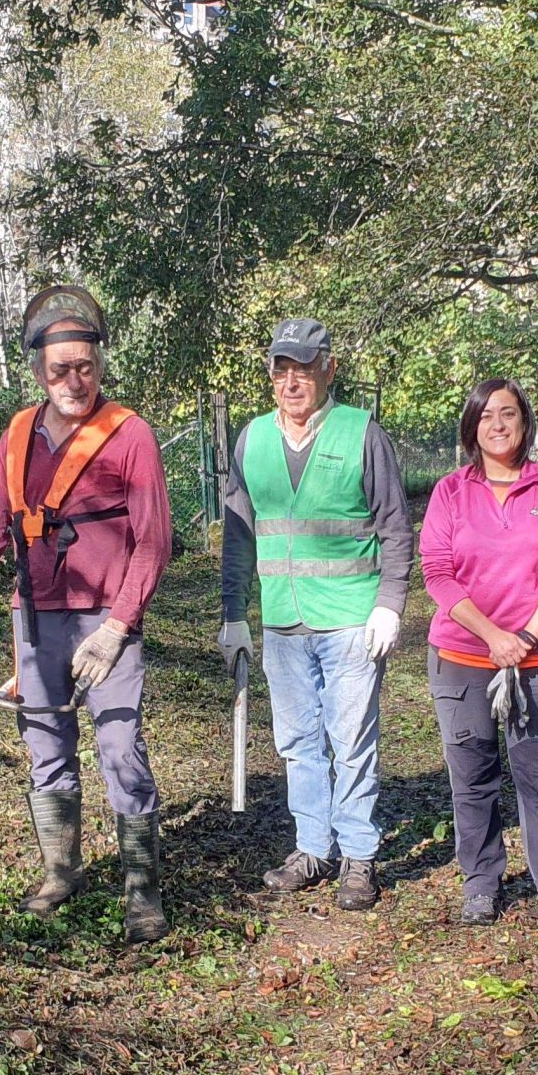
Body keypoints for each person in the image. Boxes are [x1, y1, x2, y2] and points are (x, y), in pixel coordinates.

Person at [0, 285, 175, 943]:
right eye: (59, 370)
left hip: (108, 622)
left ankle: (142, 889)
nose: (74, 381)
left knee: (121, 751)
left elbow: (154, 541)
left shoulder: (130, 435)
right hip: (37, 620)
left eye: (86, 366)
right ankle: (62, 871)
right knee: (47, 752)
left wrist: (116, 627)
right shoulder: (18, 435)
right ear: (37, 371)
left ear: (100, 363)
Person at [218, 319, 414, 912]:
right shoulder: (251, 440)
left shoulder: (361, 433)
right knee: (299, 742)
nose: (291, 380)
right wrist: (233, 612)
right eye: (282, 369)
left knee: (351, 739)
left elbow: (395, 526)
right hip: (282, 620)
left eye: (303, 368)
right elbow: (238, 534)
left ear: (328, 368)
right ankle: (312, 847)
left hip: (352, 618)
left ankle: (358, 854)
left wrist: (390, 603)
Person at [419, 377, 538, 947]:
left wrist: (523, 637)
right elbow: (438, 574)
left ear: (525, 423)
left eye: (509, 414)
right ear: (472, 425)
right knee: (472, 776)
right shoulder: (449, 492)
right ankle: (481, 883)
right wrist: (493, 636)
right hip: (462, 655)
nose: (498, 424)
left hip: (536, 658)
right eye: (487, 414)